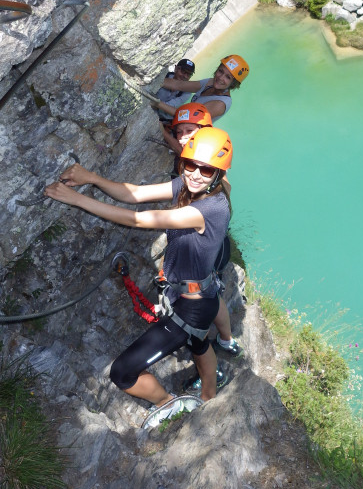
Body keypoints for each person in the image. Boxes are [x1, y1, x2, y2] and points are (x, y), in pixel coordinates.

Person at [44, 127, 233, 428]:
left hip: (193, 307)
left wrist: (76, 199)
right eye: (190, 165)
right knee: (198, 341)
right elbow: (134, 194)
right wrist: (91, 177)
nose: (196, 174)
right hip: (196, 297)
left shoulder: (207, 209)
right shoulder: (191, 187)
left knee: (122, 373)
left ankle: (167, 402)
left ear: (218, 172)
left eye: (206, 169)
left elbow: (138, 219)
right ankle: (209, 396)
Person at [162, 103, 243, 363]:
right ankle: (225, 340)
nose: (183, 138)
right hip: (213, 240)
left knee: (209, 294)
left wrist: (162, 131)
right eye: (179, 132)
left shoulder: (211, 170)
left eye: (190, 131)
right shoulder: (207, 165)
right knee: (212, 294)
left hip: (211, 246)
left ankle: (213, 342)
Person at [154, 54, 250, 122]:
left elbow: (188, 117)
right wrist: (153, 83)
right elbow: (179, 85)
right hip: (181, 125)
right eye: (221, 71)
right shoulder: (210, 82)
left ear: (233, 84)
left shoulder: (220, 104)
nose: (221, 78)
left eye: (228, 77)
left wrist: (156, 103)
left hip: (187, 134)